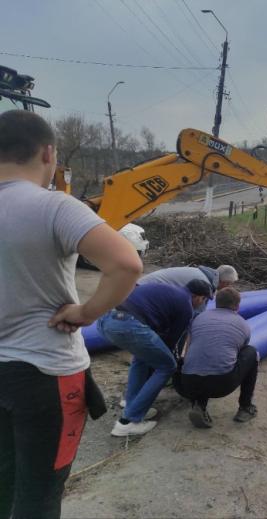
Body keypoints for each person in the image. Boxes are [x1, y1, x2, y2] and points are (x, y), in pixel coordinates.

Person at [0, 110, 143, 518]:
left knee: (3, 480)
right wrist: (86, 312)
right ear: (48, 153)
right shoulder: (55, 207)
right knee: (40, 493)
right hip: (46, 374)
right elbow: (126, 265)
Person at [97, 279, 211, 437]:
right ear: (199, 297)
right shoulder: (186, 307)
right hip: (128, 325)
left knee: (141, 359)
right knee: (167, 366)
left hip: (106, 319)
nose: (202, 304)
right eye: (205, 300)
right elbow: (171, 342)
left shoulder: (169, 290)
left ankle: (133, 405)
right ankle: (128, 422)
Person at [174, 287, 259, 428]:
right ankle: (245, 407)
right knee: (251, 352)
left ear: (216, 303)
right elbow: (237, 353)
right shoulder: (243, 324)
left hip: (186, 384)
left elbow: (188, 350)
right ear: (237, 306)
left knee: (200, 357)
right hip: (221, 385)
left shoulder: (199, 318)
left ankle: (199, 404)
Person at [139, 264, 238, 302]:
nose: (229, 287)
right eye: (229, 284)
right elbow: (195, 312)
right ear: (223, 281)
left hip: (143, 285)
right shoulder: (203, 283)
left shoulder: (202, 274)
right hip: (147, 291)